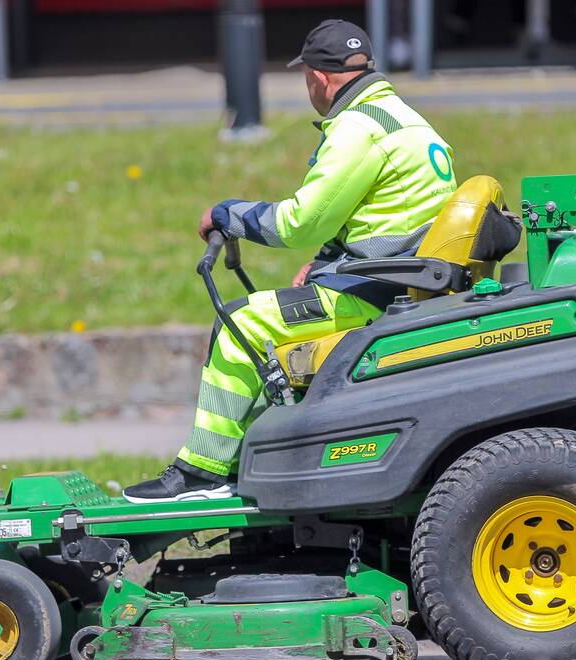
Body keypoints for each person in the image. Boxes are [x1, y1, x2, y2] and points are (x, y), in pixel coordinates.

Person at [123, 19, 458, 503]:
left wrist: (227, 213)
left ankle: (204, 471)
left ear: (318, 78)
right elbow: (383, 220)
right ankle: (255, 457)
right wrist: (327, 262)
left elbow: (298, 223)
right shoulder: (404, 118)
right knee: (267, 320)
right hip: (400, 284)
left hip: (371, 298)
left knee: (240, 325)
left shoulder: (358, 129)